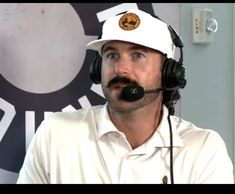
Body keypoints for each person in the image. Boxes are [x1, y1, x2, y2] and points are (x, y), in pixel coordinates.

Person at [17, 8, 234, 184]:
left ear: (169, 73)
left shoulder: (203, 150)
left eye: (137, 55)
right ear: (97, 68)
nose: (121, 69)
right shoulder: (55, 134)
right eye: (112, 55)